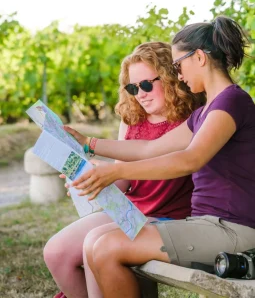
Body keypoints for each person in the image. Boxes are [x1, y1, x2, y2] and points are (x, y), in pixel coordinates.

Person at [66, 16, 255, 298]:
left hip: (232, 229)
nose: (178, 75)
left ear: (200, 58)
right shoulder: (204, 113)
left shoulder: (231, 102)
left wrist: (116, 172)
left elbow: (190, 160)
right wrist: (88, 143)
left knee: (107, 247)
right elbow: (147, 148)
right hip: (205, 224)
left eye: (179, 65)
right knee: (95, 239)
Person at [44, 41, 202, 298]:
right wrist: (90, 178)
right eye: (133, 87)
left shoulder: (191, 121)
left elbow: (164, 162)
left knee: (93, 245)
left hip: (171, 216)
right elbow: (123, 181)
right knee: (55, 252)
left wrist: (105, 166)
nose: (141, 94)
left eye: (148, 84)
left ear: (171, 78)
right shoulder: (132, 119)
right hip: (132, 210)